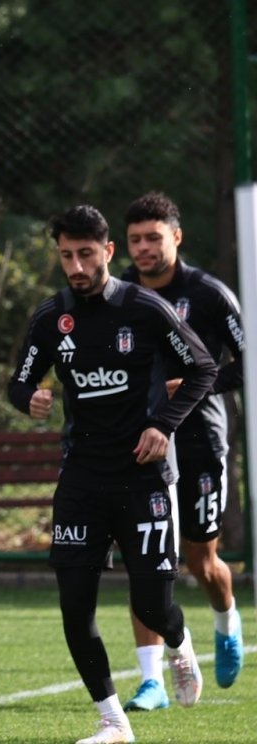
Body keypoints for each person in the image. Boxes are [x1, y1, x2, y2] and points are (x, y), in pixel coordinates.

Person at [8, 204, 216, 744]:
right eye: (65, 256)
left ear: (107, 252)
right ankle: (111, 719)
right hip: (81, 478)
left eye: (84, 254)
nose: (75, 266)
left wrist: (163, 426)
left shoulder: (144, 308)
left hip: (144, 477)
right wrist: (29, 397)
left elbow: (202, 369)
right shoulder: (52, 318)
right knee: (75, 604)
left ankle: (178, 643)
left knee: (152, 603)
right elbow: (18, 382)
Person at [115, 191, 246, 710]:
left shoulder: (209, 294)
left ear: (176, 237)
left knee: (199, 559)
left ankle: (225, 617)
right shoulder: (118, 291)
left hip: (200, 439)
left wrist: (201, 386)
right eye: (135, 240)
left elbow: (248, 359)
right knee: (145, 556)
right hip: (143, 438)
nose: (144, 248)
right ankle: (150, 679)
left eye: (153, 237)